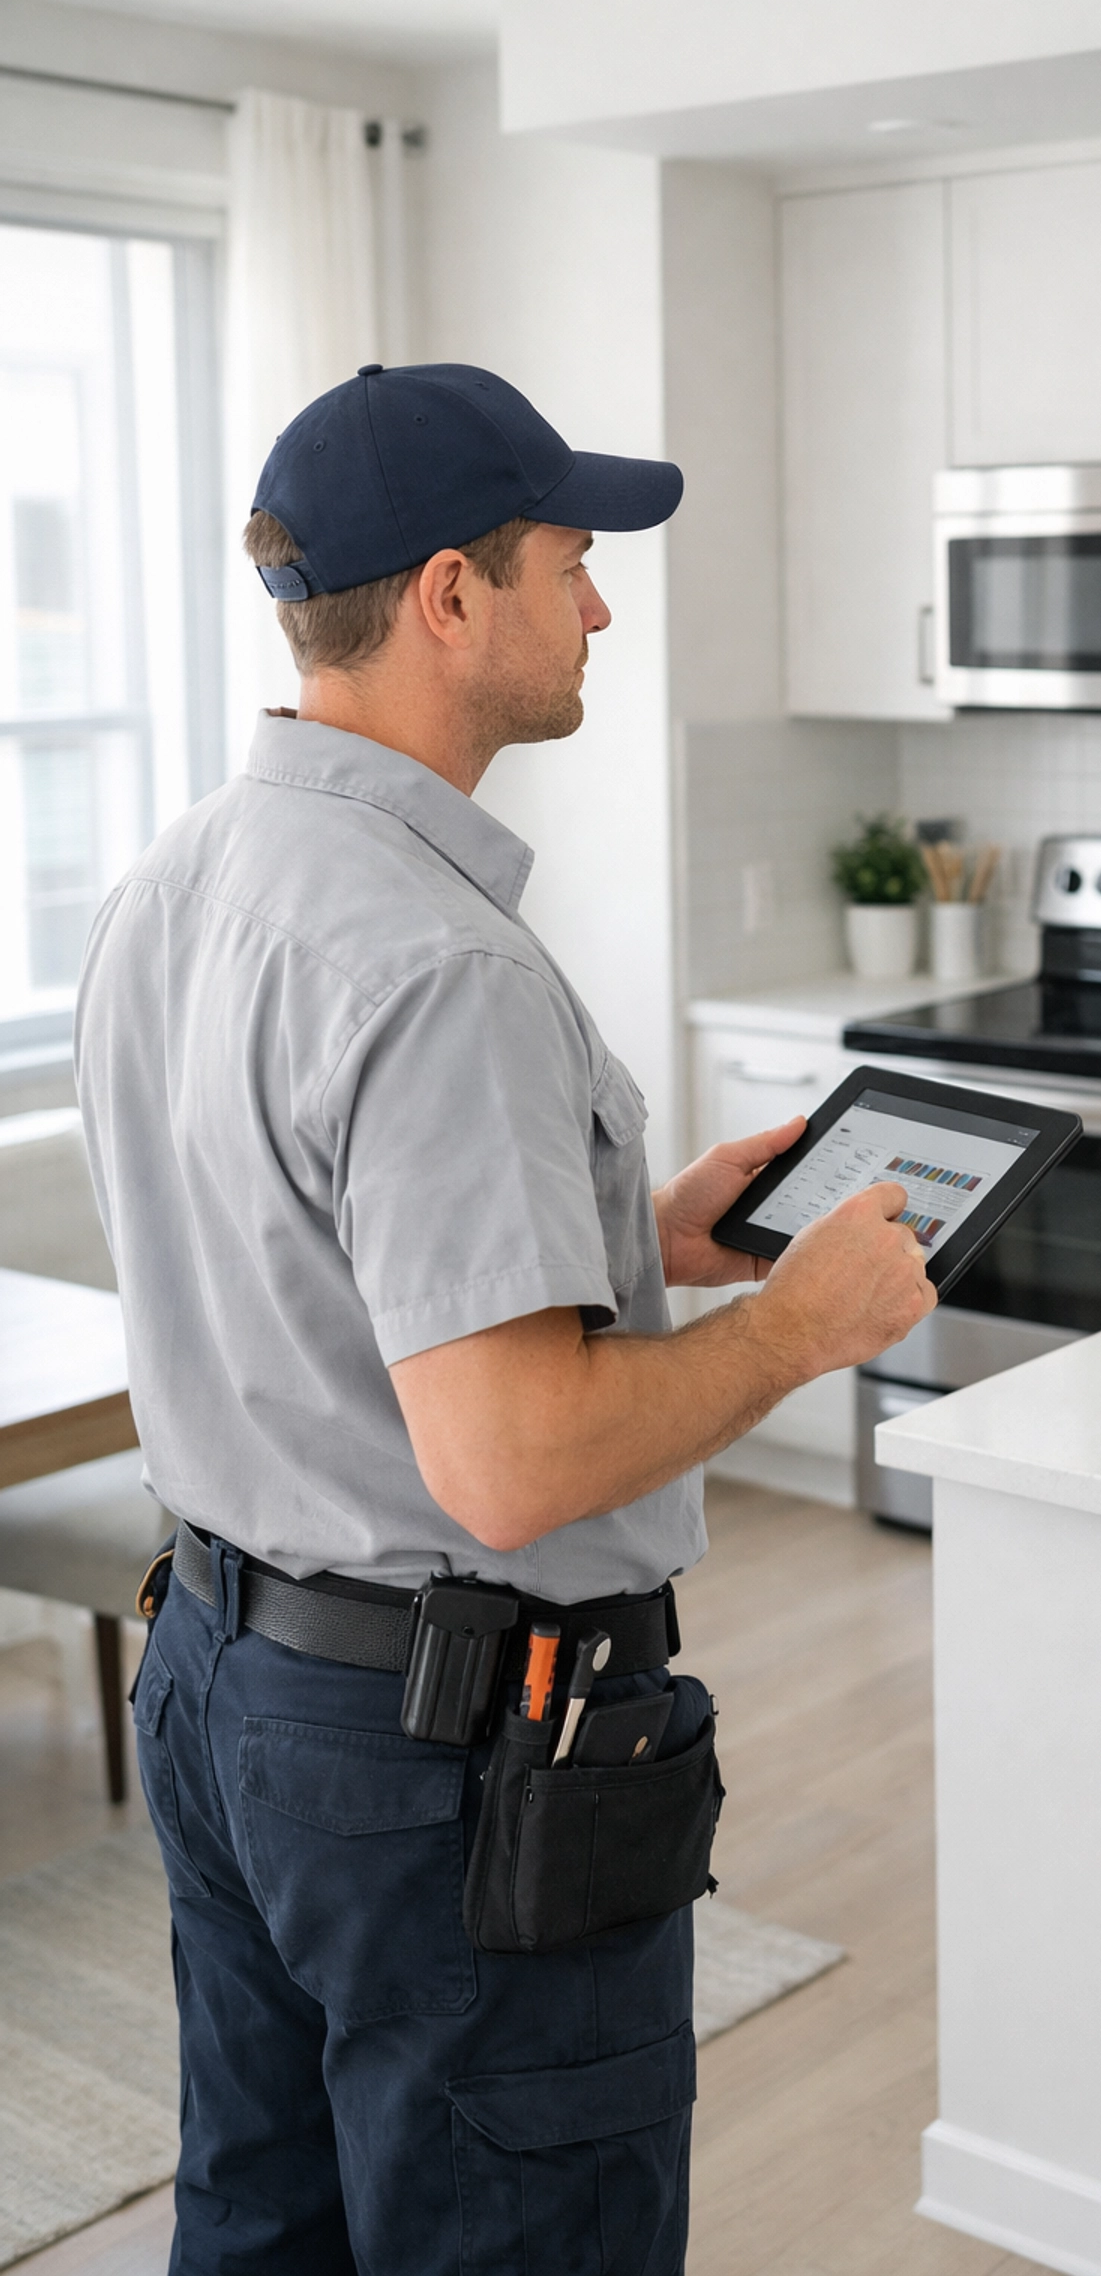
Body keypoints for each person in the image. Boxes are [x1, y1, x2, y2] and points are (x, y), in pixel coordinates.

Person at [75, 362, 935, 2276]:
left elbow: (299, 1258)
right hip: (442, 1756)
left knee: (264, 2227)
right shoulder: (437, 960)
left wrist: (635, 1235)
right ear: (454, 597)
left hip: (221, 1682)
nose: (602, 607)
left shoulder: (180, 881)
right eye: (570, 561)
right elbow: (513, 1464)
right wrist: (798, 1330)